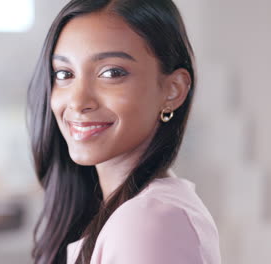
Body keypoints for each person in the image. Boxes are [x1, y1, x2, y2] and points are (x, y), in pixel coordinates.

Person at [26, 0, 222, 263]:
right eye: (64, 74)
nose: (77, 101)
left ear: (173, 90)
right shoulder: (135, 213)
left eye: (111, 72)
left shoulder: (149, 222)